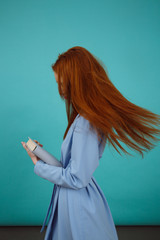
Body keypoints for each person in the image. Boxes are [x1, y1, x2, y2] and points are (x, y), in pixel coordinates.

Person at [21, 46, 160, 240]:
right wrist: (38, 156)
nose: (60, 90)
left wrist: (38, 166)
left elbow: (76, 178)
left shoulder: (85, 123)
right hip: (72, 201)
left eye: (62, 83)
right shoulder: (83, 119)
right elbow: (70, 169)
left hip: (78, 207)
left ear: (76, 82)